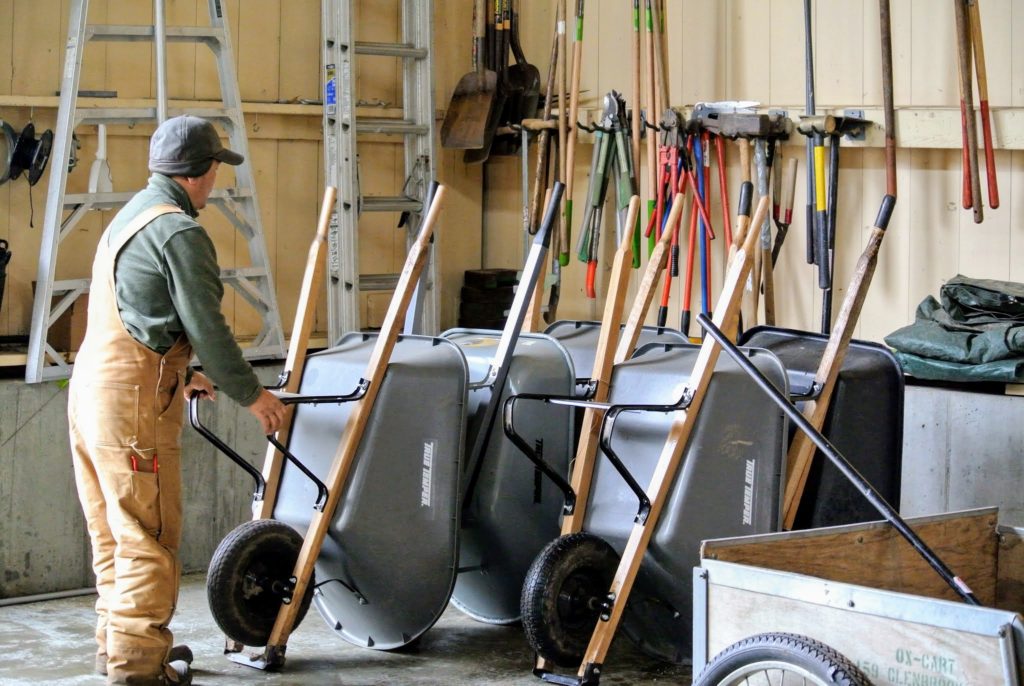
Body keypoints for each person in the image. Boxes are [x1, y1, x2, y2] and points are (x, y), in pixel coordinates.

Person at [68, 115, 286, 685]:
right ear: (202, 172)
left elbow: (142, 310)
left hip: (92, 393)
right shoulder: (181, 232)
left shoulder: (129, 216)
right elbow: (207, 326)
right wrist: (253, 395)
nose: (217, 180)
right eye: (216, 169)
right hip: (133, 404)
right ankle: (139, 671)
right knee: (147, 537)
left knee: (114, 533)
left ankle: (116, 651)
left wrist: (181, 371)